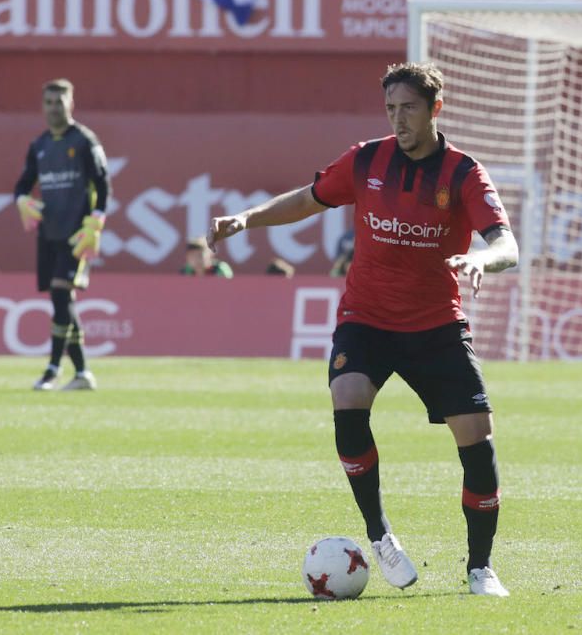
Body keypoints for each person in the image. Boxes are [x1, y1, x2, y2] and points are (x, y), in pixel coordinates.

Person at [208, 62, 519, 597]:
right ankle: (379, 536)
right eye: (392, 109)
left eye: (410, 109)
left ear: (435, 110)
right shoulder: (366, 159)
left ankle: (480, 567)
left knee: (477, 440)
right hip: (367, 318)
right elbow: (309, 198)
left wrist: (480, 260)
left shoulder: (464, 173)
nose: (399, 119)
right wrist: (248, 218)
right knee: (347, 399)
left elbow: (507, 245)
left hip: (436, 324)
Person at [14, 78, 111, 391]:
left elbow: (104, 183)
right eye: (49, 102)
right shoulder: (39, 145)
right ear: (42, 106)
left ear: (71, 104)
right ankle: (82, 372)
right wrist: (22, 200)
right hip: (49, 233)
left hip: (75, 234)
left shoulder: (84, 141)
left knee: (59, 294)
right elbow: (23, 183)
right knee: (62, 301)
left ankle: (53, 368)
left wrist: (95, 221)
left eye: (60, 102)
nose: (54, 108)